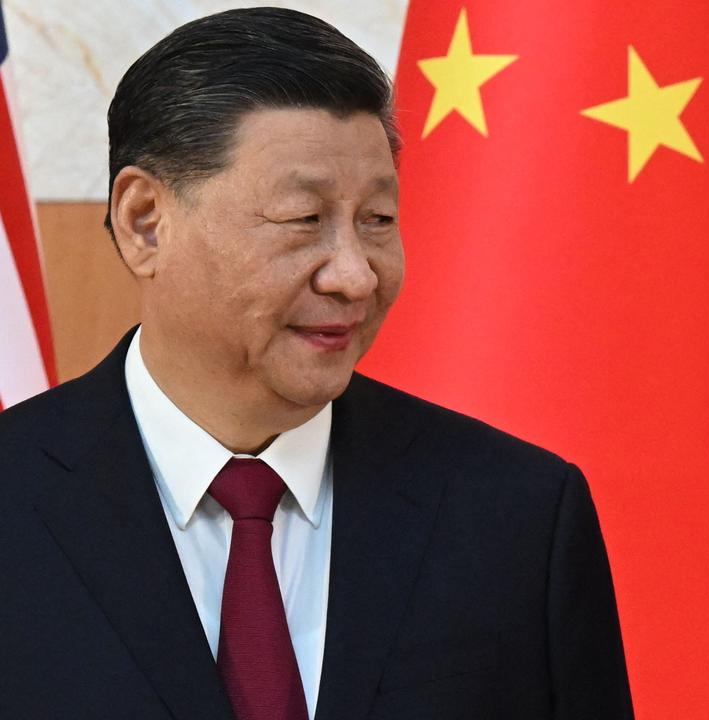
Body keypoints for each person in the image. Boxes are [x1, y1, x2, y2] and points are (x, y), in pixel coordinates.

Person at [0, 8, 632, 719]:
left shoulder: (517, 516)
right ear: (146, 220)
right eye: (304, 220)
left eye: (378, 221)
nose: (356, 276)